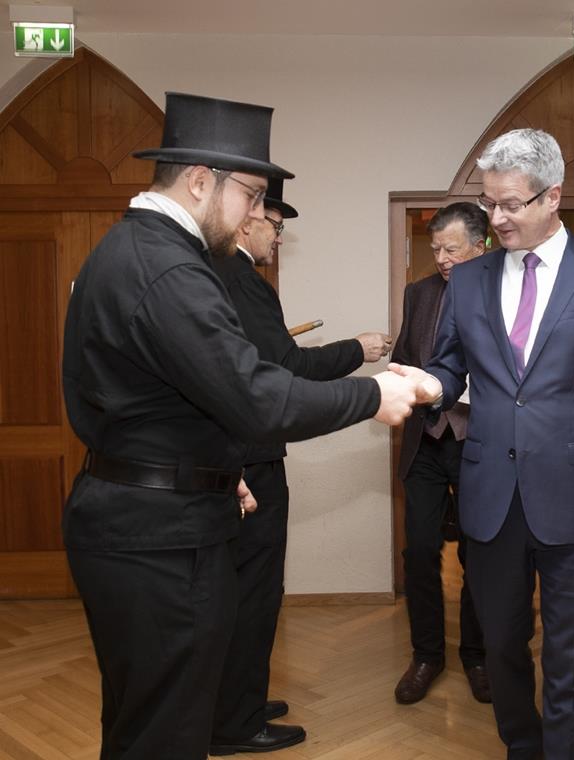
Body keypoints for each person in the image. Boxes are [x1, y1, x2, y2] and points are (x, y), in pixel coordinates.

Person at [60, 92, 435, 760]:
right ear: (200, 181)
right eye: (252, 195)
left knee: (145, 718)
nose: (256, 214)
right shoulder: (169, 267)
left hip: (147, 510)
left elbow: (149, 400)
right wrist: (372, 395)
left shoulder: (133, 248)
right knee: (166, 731)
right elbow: (258, 396)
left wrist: (207, 464)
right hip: (160, 538)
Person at [420, 128, 574, 760]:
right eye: (489, 203)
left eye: (510, 205)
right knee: (499, 646)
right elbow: (449, 368)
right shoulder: (468, 280)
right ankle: (523, 748)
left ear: (553, 196)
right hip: (490, 496)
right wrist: (424, 385)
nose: (496, 219)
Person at [207, 178, 393, 754]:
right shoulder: (242, 279)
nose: (279, 238)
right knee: (254, 595)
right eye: (276, 225)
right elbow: (286, 368)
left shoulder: (217, 274)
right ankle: (236, 724)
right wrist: (358, 351)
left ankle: (237, 702)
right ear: (247, 219)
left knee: (240, 593)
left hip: (234, 458)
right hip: (251, 463)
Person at [390, 202, 490, 705]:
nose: (443, 259)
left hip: (480, 445)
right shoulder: (419, 293)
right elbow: (404, 357)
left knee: (480, 554)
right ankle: (427, 655)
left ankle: (478, 656)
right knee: (420, 551)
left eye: (452, 249)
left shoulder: (503, 291)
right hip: (425, 443)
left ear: (481, 246)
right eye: (436, 250)